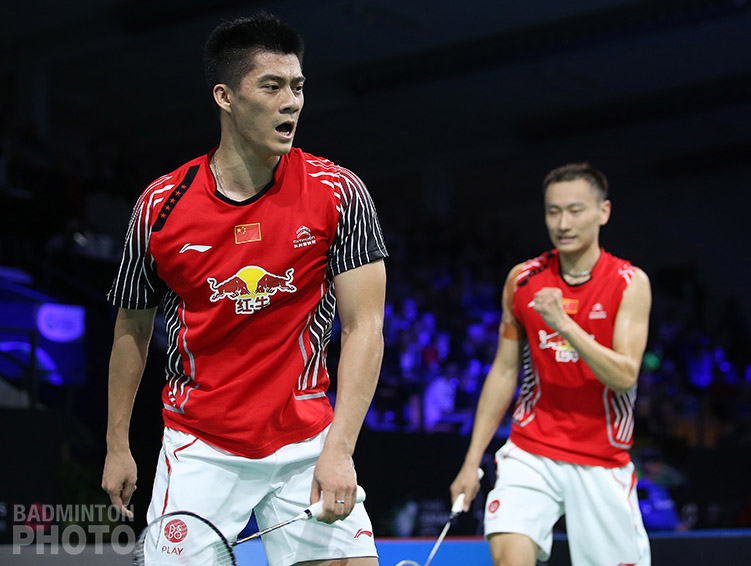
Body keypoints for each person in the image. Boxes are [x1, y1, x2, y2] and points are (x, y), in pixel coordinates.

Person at [101, 13, 387, 566]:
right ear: (225, 96)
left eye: (298, 87)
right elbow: (131, 327)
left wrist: (340, 450)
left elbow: (364, 326)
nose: (291, 103)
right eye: (272, 87)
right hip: (201, 445)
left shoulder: (338, 192)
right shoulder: (161, 206)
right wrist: (117, 445)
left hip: (306, 441)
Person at [450, 163, 652, 566]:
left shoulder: (629, 283)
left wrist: (564, 324)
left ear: (603, 212)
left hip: (601, 457)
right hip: (532, 449)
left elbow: (624, 376)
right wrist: (471, 463)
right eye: (553, 211)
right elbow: (504, 372)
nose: (563, 224)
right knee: (510, 555)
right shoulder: (523, 280)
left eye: (575, 211)